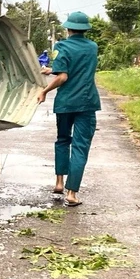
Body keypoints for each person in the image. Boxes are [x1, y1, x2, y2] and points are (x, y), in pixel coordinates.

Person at [37, 11, 101, 207]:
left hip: (65, 103)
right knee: (80, 146)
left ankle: (59, 182)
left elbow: (63, 76)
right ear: (85, 29)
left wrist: (45, 90)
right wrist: (52, 70)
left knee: (63, 140)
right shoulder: (93, 47)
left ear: (68, 28)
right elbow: (74, 68)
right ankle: (72, 194)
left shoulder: (61, 46)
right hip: (87, 102)